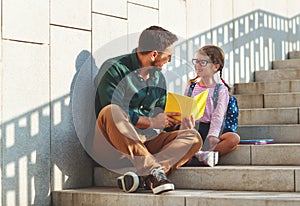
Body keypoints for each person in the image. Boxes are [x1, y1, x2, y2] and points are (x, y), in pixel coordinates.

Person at [93, 25, 202, 195]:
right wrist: (151, 122)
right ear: (154, 55)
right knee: (111, 111)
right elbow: (110, 111)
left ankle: (147, 175)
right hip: (113, 146)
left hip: (146, 144)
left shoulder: (159, 79)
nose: (170, 61)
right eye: (168, 56)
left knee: (194, 137)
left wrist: (180, 126)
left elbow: (162, 120)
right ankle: (152, 170)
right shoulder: (114, 69)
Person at [183, 45, 240, 167]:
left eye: (203, 62)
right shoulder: (191, 87)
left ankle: (205, 154)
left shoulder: (220, 90)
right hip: (195, 129)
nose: (198, 65)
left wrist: (213, 135)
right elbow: (186, 111)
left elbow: (218, 115)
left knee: (233, 139)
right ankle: (196, 156)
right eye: (196, 61)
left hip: (214, 129)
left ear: (216, 67)